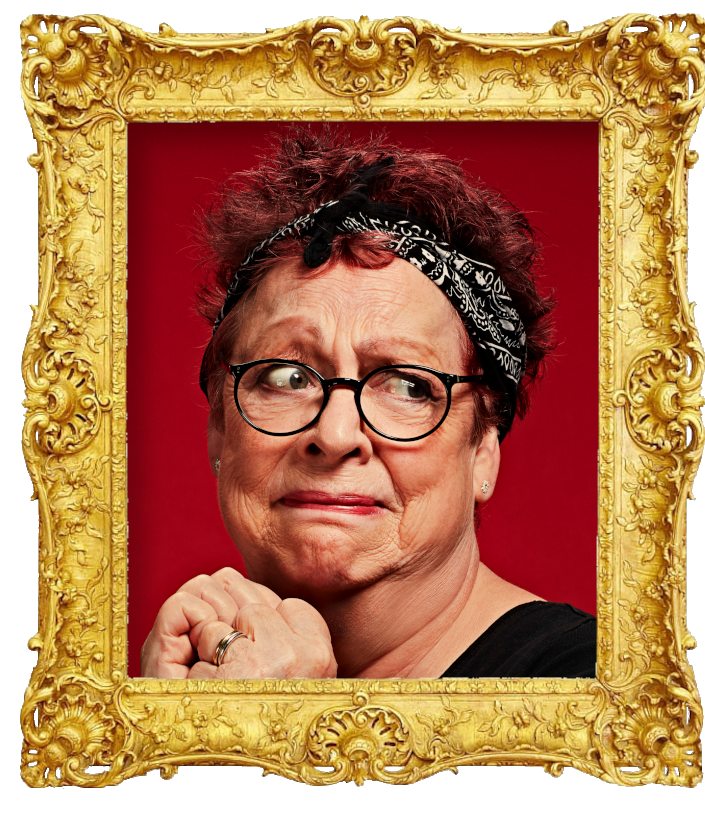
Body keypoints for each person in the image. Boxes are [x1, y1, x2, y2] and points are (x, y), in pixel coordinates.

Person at [140, 127, 596, 680]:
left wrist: (279, 735)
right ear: (219, 423)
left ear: (482, 449)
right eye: (286, 377)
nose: (334, 435)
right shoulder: (155, 683)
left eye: (407, 384)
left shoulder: (595, 689)